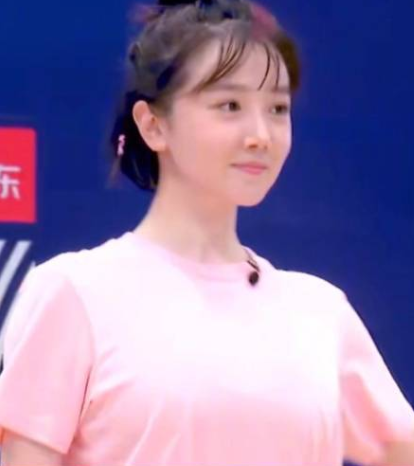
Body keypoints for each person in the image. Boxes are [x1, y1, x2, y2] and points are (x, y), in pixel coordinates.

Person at [0, 0, 413, 464]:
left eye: (278, 108)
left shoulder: (321, 313)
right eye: (229, 106)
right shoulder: (75, 294)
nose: (261, 135)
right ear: (153, 125)